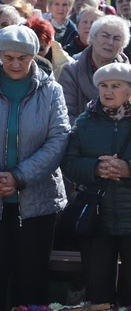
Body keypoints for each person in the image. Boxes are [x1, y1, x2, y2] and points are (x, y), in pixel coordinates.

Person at [0, 24, 70, 310]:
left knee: (31, 281)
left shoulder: (51, 90)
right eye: (8, 57)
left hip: (37, 203)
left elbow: (58, 140)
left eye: (22, 58)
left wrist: (19, 176)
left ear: (34, 56)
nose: (15, 64)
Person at [62, 62, 131, 306]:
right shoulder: (85, 121)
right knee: (98, 292)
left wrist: (127, 169)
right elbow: (69, 164)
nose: (108, 91)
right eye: (103, 85)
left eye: (116, 85)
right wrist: (95, 168)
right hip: (96, 220)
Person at [59, 15, 131, 124]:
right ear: (92, 38)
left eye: (117, 38)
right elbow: (65, 117)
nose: (110, 42)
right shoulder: (71, 72)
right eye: (105, 36)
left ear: (122, 46)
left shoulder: (128, 77)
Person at [26, 16, 74, 80]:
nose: (35, 54)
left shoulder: (67, 65)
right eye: (31, 48)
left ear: (50, 44)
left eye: (40, 49)